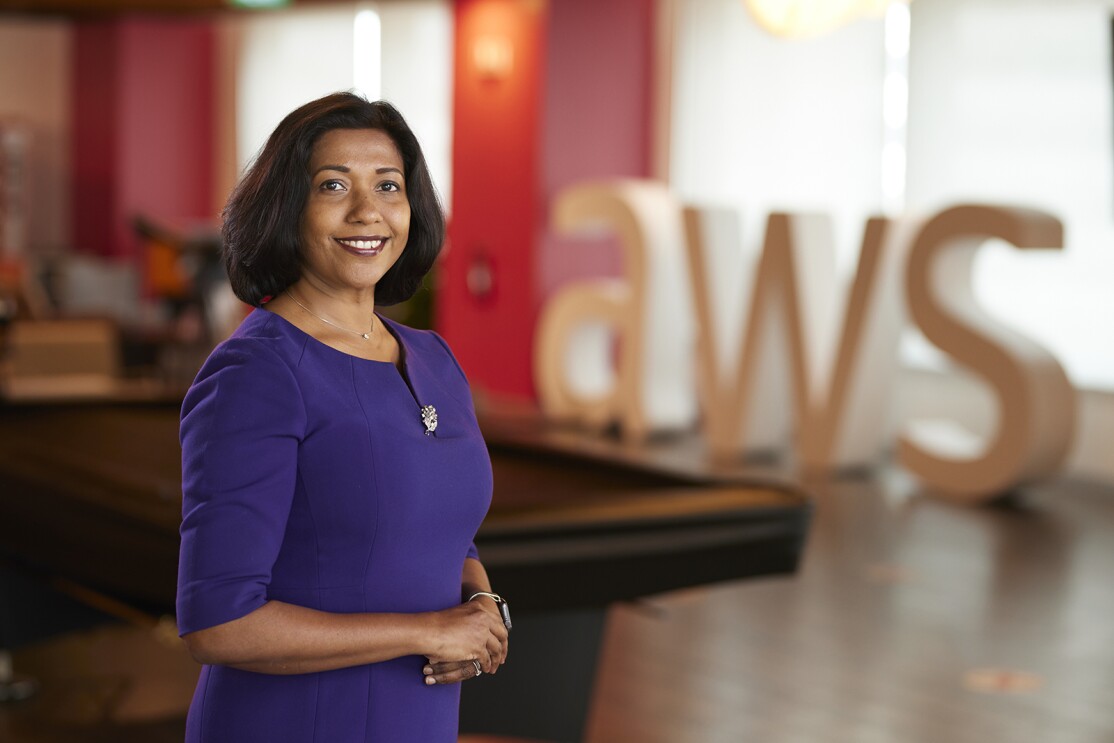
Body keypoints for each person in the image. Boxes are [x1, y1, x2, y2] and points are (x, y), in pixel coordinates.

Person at [176, 92, 510, 742]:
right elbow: (219, 622)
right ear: (288, 208)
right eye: (334, 184)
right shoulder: (257, 373)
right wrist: (426, 631)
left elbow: (444, 531)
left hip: (415, 719)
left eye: (388, 184)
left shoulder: (432, 358)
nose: (367, 210)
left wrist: (480, 600)